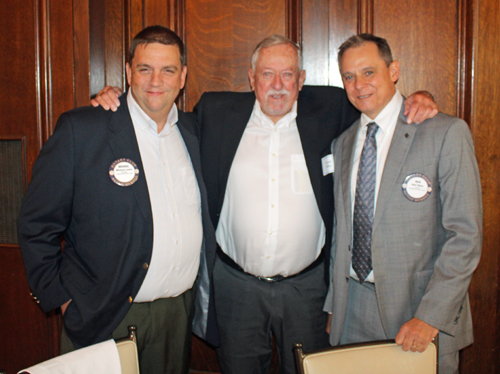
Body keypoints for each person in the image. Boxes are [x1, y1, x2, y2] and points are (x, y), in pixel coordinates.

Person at [92, 35, 437, 374]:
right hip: (236, 286)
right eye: (267, 74)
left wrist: (419, 98)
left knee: (310, 369)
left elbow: (380, 104)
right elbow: (158, 113)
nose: (277, 85)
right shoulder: (217, 112)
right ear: (251, 78)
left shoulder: (332, 108)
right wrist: (117, 99)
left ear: (301, 80)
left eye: (288, 74)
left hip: (308, 288)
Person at [18, 25, 217, 374]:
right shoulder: (84, 130)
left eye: (168, 70)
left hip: (176, 316)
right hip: (105, 315)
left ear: (183, 76)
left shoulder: (194, 131)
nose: (156, 80)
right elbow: (36, 224)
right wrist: (62, 299)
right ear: (128, 71)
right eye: (144, 68)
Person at [324, 33, 482, 374]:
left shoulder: (445, 133)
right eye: (348, 77)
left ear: (393, 70)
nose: (359, 85)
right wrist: (334, 304)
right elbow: (342, 232)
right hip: (351, 309)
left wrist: (430, 316)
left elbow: (465, 236)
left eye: (368, 72)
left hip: (418, 311)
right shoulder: (343, 144)